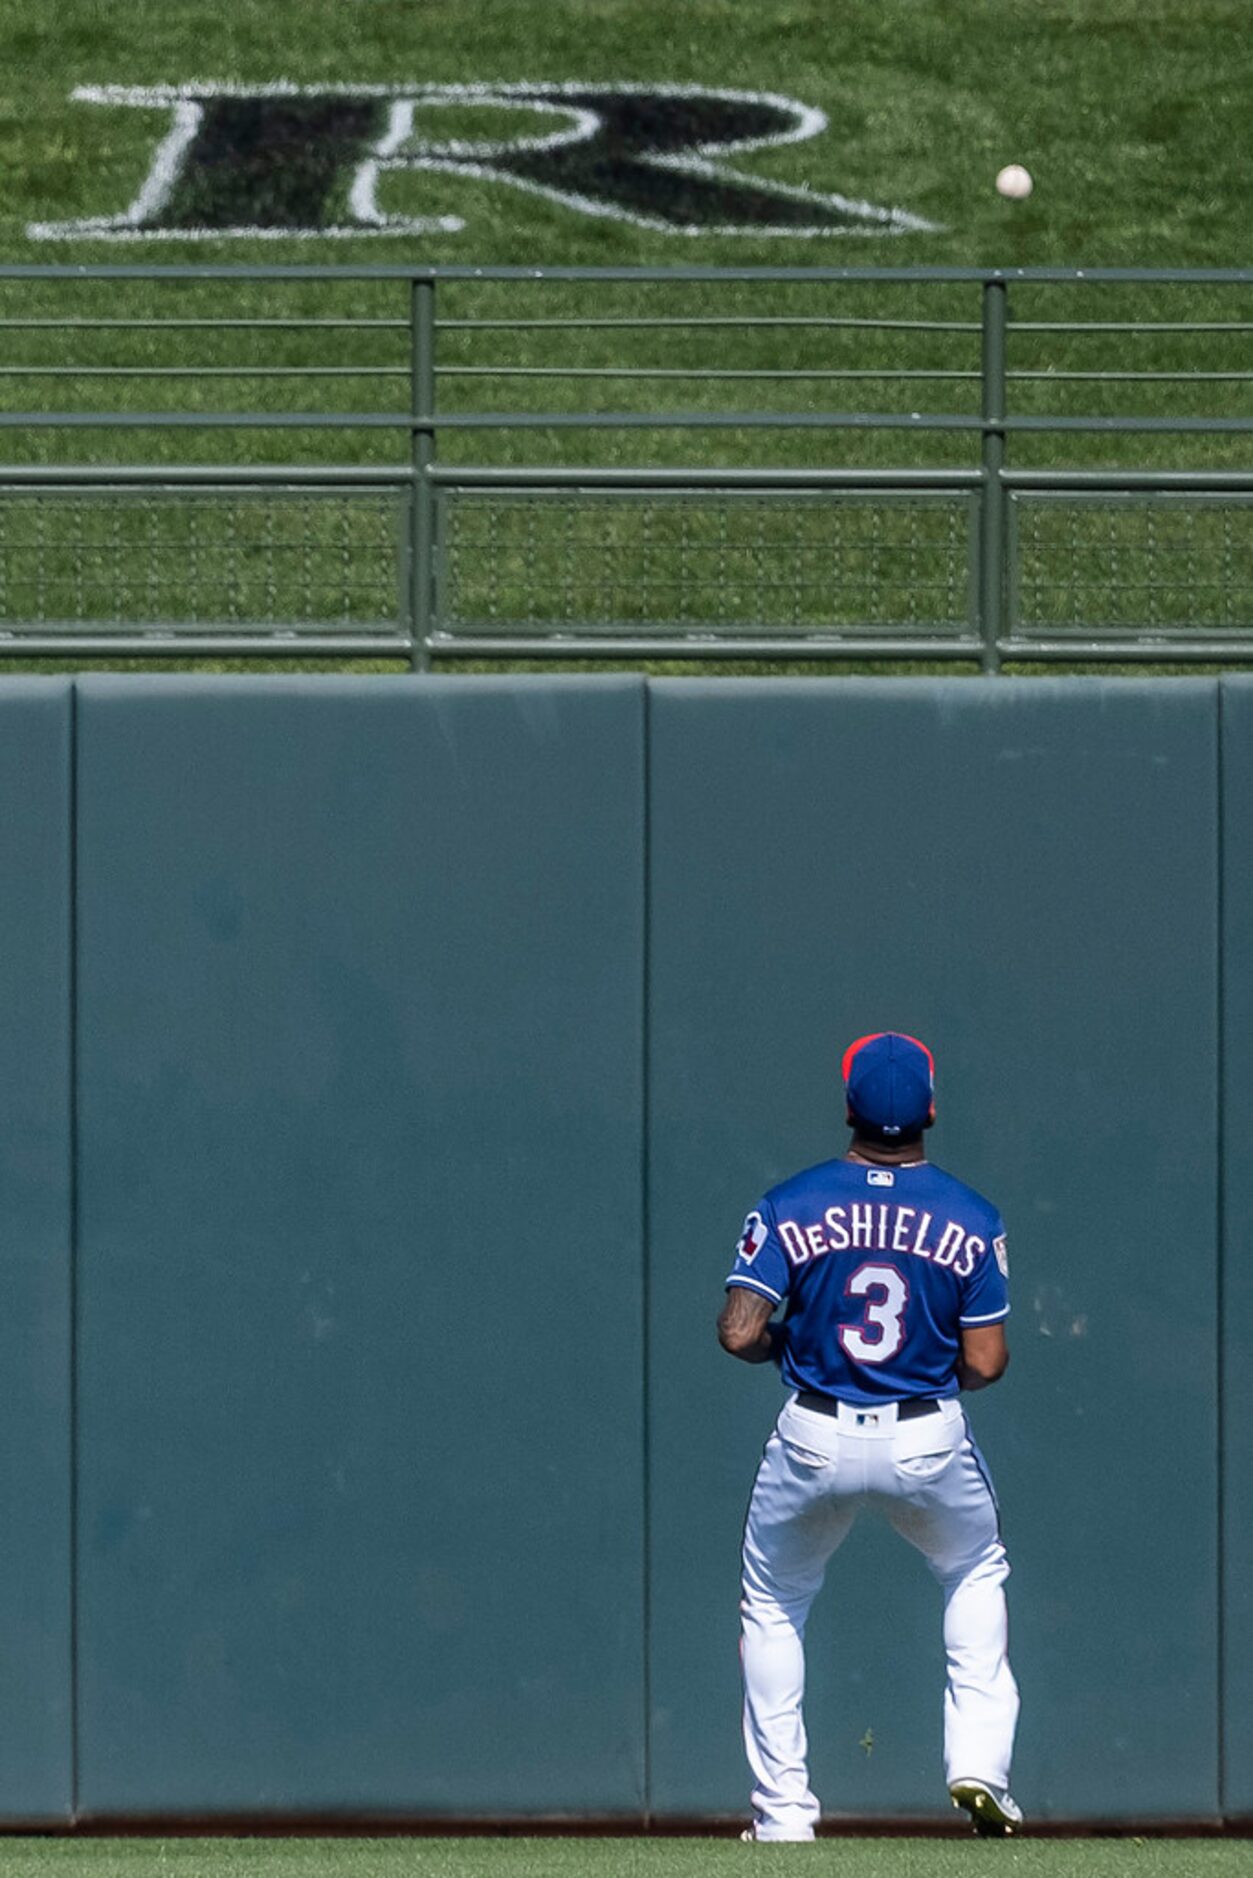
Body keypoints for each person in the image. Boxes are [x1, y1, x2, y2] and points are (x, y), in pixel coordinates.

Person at [718, 1031, 1021, 1841]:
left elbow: (739, 1332)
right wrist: (922, 1370)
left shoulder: (790, 1202)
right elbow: (986, 1361)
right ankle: (978, 1767)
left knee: (776, 1605)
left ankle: (782, 1817)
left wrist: (796, 1344)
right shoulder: (970, 1214)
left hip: (813, 1430)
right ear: (929, 1109)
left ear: (849, 1105)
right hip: (924, 1433)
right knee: (971, 1571)